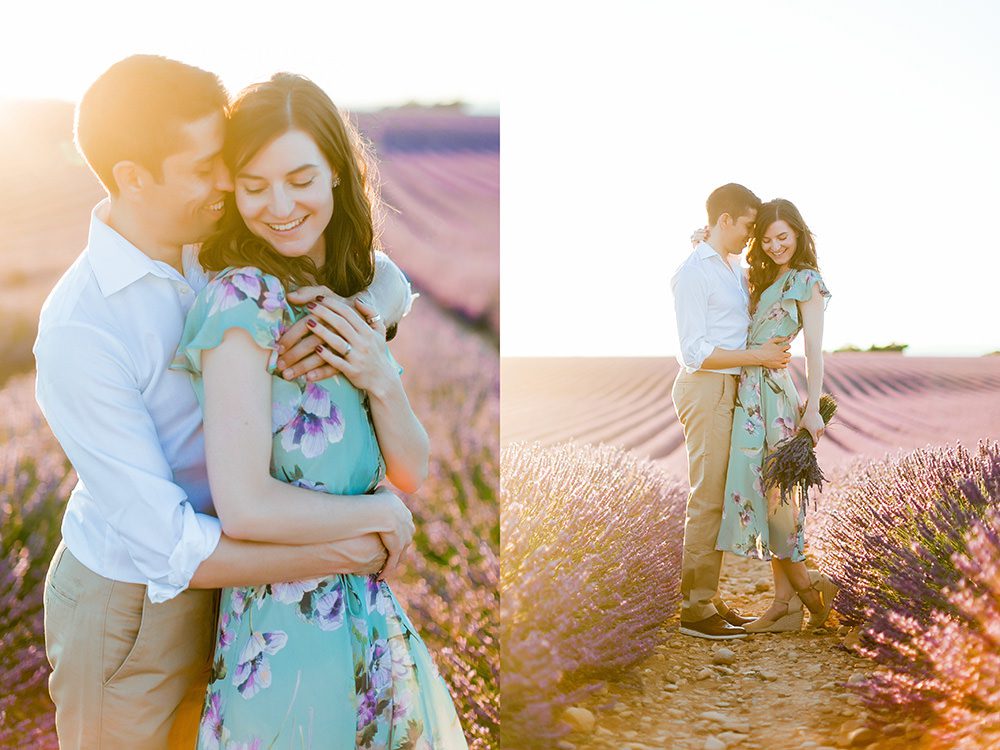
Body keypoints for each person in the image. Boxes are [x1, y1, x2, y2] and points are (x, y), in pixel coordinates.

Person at [34, 55, 413, 749]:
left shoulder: (210, 242)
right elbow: (173, 549)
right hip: (133, 609)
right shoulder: (81, 330)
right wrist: (351, 544)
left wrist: (363, 313)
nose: (227, 184)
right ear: (133, 177)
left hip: (243, 584)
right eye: (206, 167)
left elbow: (383, 271)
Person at [172, 72, 467, 749]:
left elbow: (412, 469)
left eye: (300, 179)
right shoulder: (242, 301)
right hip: (281, 647)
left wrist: (377, 372)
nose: (279, 206)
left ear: (336, 170)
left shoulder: (350, 295)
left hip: (368, 626)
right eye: (254, 185)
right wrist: (379, 516)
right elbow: (245, 507)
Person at [670, 183, 793, 640]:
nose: (751, 234)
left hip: (729, 388)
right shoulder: (693, 273)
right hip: (706, 386)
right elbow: (694, 352)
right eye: (747, 225)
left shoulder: (726, 265)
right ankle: (694, 610)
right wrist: (759, 357)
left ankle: (707, 596)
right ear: (725, 220)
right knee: (707, 497)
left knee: (720, 497)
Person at [715, 198, 838, 632]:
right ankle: (786, 604)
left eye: (782, 237)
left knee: (779, 498)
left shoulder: (807, 280)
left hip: (774, 397)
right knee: (766, 495)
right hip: (749, 394)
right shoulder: (763, 278)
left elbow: (814, 351)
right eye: (766, 239)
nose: (775, 245)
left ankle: (804, 591)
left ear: (798, 234)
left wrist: (812, 410)